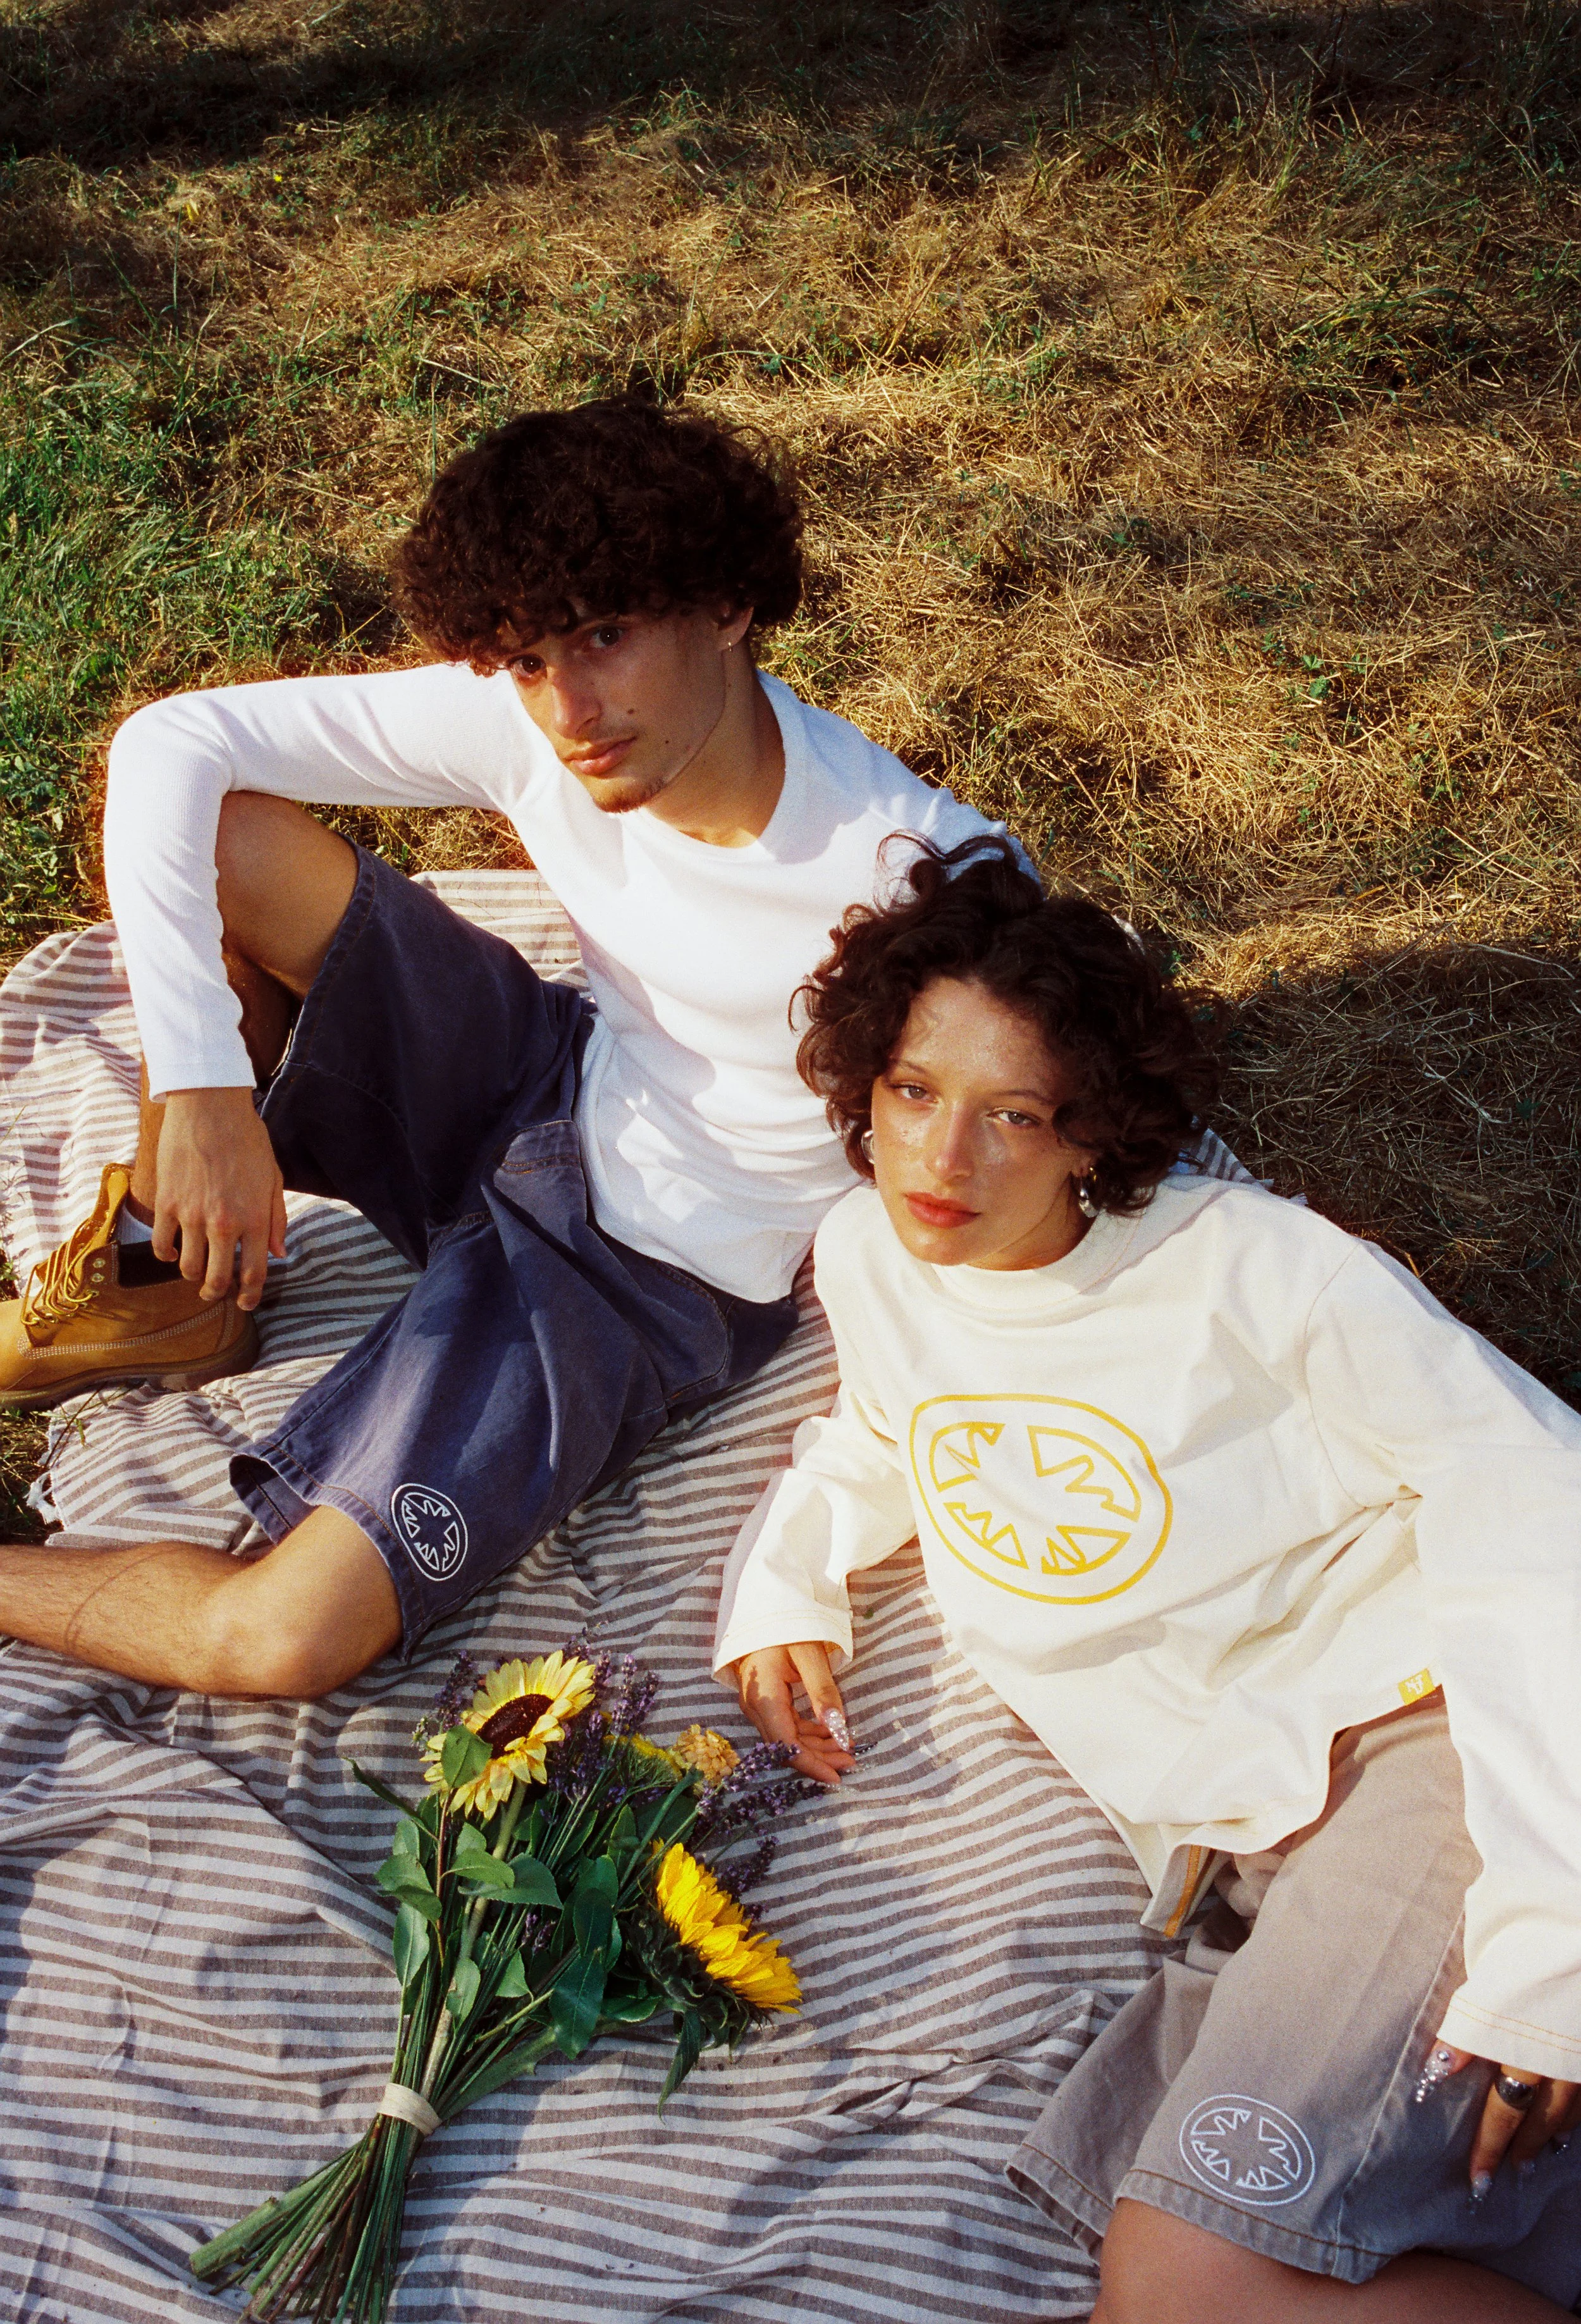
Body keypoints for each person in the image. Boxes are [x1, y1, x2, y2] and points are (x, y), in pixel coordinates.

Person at [0, 399, 1011, 1701]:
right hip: (542, 1076)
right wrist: (200, 1086)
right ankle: (167, 1292)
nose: (569, 708)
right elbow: (171, 743)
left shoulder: (911, 875)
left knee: (278, 1638)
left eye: (604, 636)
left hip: (642, 1273)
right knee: (226, 841)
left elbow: (1028, 1140)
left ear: (726, 605)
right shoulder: (538, 723)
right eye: (528, 659)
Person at [714, 836, 1581, 2319]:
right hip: (1230, 1850)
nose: (940, 1159)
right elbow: (881, 1426)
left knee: (1186, 2275)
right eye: (913, 1091)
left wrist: (1550, 1947)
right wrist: (791, 1577)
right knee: (1173, 2280)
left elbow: (1533, 1491)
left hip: (1412, 1747)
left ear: (1089, 1137)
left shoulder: (1259, 1272)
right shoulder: (870, 1252)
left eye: (1011, 1114)